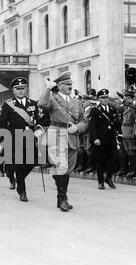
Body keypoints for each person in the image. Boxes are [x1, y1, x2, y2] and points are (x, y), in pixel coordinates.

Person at [38, 72, 87, 212]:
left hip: (72, 136)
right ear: (59, 85)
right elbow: (41, 104)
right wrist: (47, 88)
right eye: (67, 84)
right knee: (62, 167)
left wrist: (77, 127)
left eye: (71, 84)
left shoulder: (76, 102)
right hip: (57, 134)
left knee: (67, 169)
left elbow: (84, 121)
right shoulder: (53, 99)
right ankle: (62, 199)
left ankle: (62, 197)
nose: (70, 86)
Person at [0, 77, 42, 202]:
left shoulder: (33, 104)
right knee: (19, 165)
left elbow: (39, 120)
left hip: (30, 136)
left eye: (22, 88)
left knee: (32, 162)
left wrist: (38, 128)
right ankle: (22, 191)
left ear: (25, 89)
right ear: (13, 90)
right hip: (16, 137)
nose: (20, 91)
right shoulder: (8, 105)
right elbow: (1, 123)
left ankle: (19, 179)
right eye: (18, 89)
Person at [88, 89, 119, 190]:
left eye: (106, 97)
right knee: (100, 161)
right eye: (102, 98)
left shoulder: (113, 109)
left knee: (114, 159)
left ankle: (109, 177)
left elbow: (115, 125)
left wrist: (117, 138)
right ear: (98, 99)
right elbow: (92, 126)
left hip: (111, 138)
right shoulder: (95, 110)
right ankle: (101, 181)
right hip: (100, 139)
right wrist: (95, 138)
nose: (105, 99)